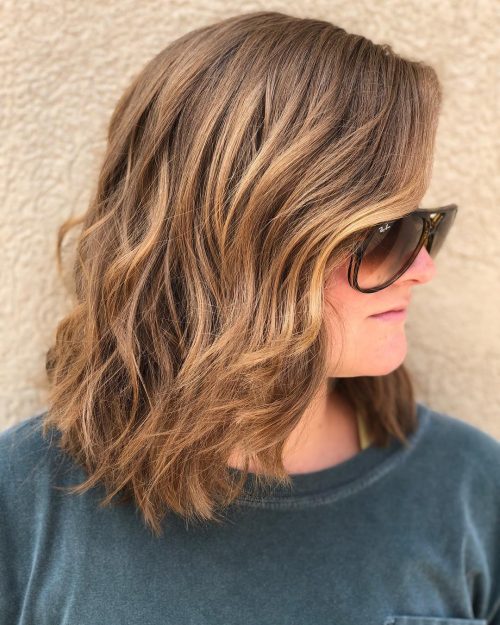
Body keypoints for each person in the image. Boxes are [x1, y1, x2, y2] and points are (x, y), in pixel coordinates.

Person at [0, 10, 498, 625]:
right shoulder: (25, 504)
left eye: (425, 226)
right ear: (249, 252)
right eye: (385, 234)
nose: (423, 268)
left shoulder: (471, 491)